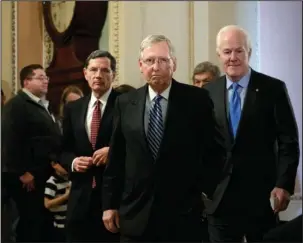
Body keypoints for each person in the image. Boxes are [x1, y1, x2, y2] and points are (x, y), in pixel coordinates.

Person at [102, 34, 224, 242]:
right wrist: (109, 205)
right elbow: (117, 158)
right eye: (149, 61)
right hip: (135, 214)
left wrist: (207, 195)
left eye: (162, 60)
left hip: (183, 215)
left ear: (173, 64)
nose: (155, 67)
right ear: (141, 66)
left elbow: (213, 151)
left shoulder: (197, 100)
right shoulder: (125, 102)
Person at [203, 25, 300, 242]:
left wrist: (284, 184)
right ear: (219, 54)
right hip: (219, 198)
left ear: (249, 52)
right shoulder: (208, 93)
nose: (233, 58)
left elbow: (288, 141)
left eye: (239, 51)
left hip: (261, 196)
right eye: (227, 52)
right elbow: (202, 144)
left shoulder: (272, 89)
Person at [61, 50, 121, 242]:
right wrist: (73, 161)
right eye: (93, 70)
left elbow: (138, 143)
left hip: (114, 199)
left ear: (113, 74)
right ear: (85, 73)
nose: (98, 75)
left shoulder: (127, 103)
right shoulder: (74, 108)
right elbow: (62, 149)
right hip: (80, 197)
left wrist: (113, 150)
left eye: (105, 70)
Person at [2, 64, 62, 242]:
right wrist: (22, 172)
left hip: (42, 173)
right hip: (28, 177)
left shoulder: (39, 104)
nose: (46, 81)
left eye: (46, 78)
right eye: (41, 77)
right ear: (26, 82)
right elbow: (9, 140)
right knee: (30, 224)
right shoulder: (17, 105)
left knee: (40, 223)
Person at [44, 162, 70, 242]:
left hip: (71, 222)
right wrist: (65, 196)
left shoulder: (70, 178)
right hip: (60, 225)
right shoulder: (52, 182)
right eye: (63, 165)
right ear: (54, 165)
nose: (66, 167)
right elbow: (47, 204)